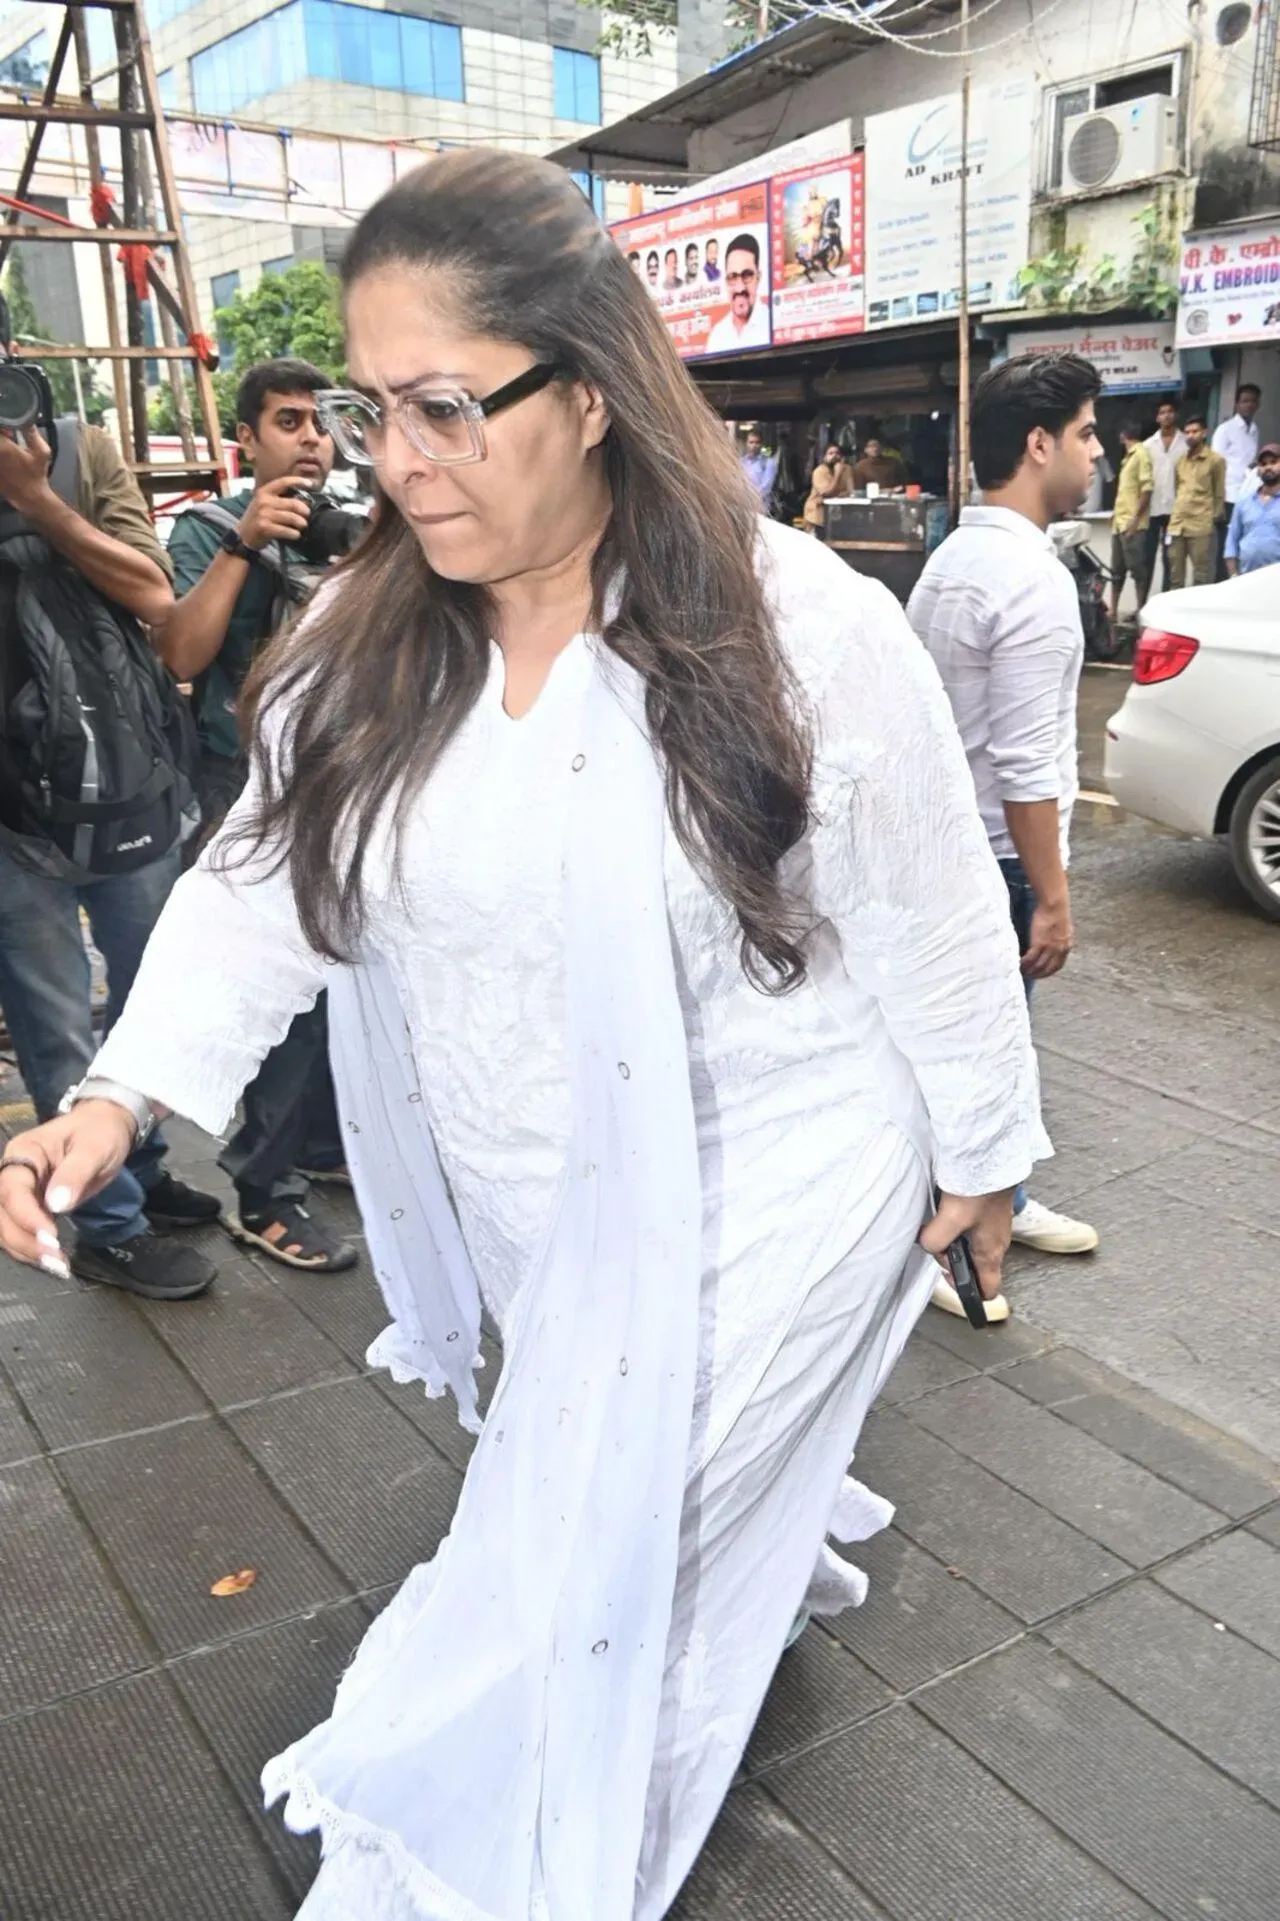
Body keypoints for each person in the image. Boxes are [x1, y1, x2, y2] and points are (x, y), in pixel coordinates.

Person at [0, 151, 1043, 1919]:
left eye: (439, 408)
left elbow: (935, 911)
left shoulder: (803, 625)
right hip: (527, 1179)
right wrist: (115, 1097)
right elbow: (261, 891)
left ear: (589, 390)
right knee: (615, 1472)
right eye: (362, 406)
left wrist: (985, 1155)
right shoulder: (360, 649)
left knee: (564, 1549)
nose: (388, 459)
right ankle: (735, 1569)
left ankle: (470, 1848)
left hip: (788, 1170)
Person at [0, 403, 219, 1302]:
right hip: (13, 819)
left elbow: (155, 592)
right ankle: (108, 1224)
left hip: (123, 779)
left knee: (149, 994)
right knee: (57, 1029)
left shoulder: (81, 452)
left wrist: (38, 500)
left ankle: (137, 1157)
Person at [909, 352, 1103, 1317]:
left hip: (954, 845)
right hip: (995, 858)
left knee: (993, 1048)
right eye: (1086, 433)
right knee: (978, 1056)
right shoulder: (1029, 581)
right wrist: (1054, 898)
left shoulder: (954, 556)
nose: (1098, 452)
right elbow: (1027, 769)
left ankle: (1005, 1197)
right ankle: (944, 1242)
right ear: (1038, 445)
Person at [156, 358, 358, 1274]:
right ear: (246, 439)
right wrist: (245, 544)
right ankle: (263, 1186)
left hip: (344, 778)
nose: (309, 437)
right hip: (242, 785)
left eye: (319, 421)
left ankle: (319, 1144)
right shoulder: (207, 529)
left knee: (345, 981)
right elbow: (184, 652)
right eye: (287, 421)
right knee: (276, 990)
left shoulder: (360, 523)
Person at [1168, 415, 1226, 588]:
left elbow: (1219, 494)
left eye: (1195, 431)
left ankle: (1198, 614)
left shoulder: (1215, 460)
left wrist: (1211, 519)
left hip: (1201, 525)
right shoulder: (1180, 460)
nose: (1190, 435)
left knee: (1202, 577)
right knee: (1175, 577)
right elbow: (1177, 489)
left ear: (1204, 433)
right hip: (1178, 525)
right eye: (1187, 432)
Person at [1212, 382, 1261, 573]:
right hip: (1227, 497)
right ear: (1236, 405)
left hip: (1247, 495)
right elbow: (1215, 466)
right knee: (1225, 547)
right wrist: (1218, 501)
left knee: (1242, 544)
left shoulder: (1255, 429)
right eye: (1244, 401)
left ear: (1258, 404)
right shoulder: (1225, 429)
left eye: (1253, 401)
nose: (1249, 405)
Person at [1109, 421, 1153, 631]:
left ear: (1123, 435)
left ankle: (1140, 611)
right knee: (1116, 570)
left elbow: (1147, 489)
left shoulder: (1141, 454)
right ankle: (1113, 611)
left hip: (1132, 524)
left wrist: (1135, 518)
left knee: (1137, 571)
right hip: (1119, 523)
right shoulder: (1127, 457)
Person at [1144, 399, 1186, 592]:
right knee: (1147, 558)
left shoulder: (1186, 442)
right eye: (1162, 412)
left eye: (1169, 411)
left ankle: (1165, 599)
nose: (1166, 415)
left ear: (1175, 414)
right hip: (1152, 509)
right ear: (1157, 417)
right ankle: (1142, 604)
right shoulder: (1147, 445)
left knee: (1171, 558)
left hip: (1175, 510)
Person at [706, 232, 770, 353]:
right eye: (733, 277)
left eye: (747, 275)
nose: (740, 288)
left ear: (758, 277)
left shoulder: (772, 325)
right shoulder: (717, 336)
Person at [1225, 440, 1280, 574]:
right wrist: (1233, 576)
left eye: (1273, 462)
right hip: (1247, 578)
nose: (1268, 467)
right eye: (1263, 464)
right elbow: (1232, 541)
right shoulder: (1244, 501)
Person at [803, 441, 852, 532]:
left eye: (837, 453)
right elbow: (826, 493)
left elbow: (850, 492)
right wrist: (837, 474)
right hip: (817, 516)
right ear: (825, 457)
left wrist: (845, 472)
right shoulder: (820, 471)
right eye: (830, 453)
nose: (834, 456)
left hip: (836, 517)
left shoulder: (846, 469)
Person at [739, 426, 779, 509]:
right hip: (743, 506)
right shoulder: (742, 462)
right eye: (751, 442)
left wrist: (750, 500)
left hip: (760, 508)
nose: (754, 445)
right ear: (746, 443)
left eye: (757, 442)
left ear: (762, 444)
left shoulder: (769, 463)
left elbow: (766, 488)